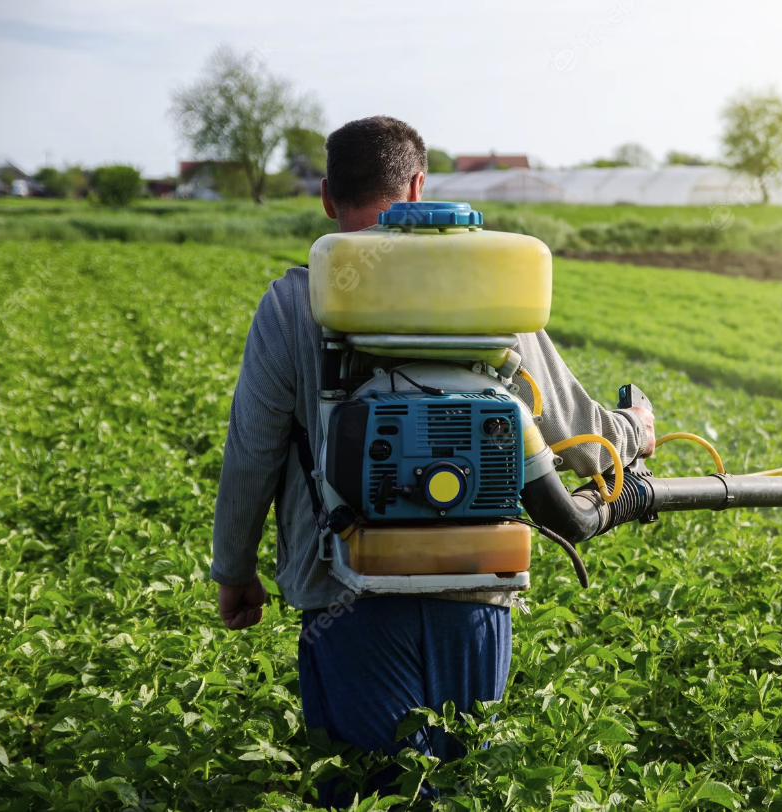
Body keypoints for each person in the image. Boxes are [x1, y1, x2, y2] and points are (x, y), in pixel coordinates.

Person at [209, 115, 655, 806]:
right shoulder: (487, 285)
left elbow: (251, 455)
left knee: (368, 791)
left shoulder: (294, 302)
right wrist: (634, 428)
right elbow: (575, 437)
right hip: (477, 589)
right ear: (419, 186)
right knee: (462, 785)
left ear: (328, 197)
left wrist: (234, 570)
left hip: (348, 593)